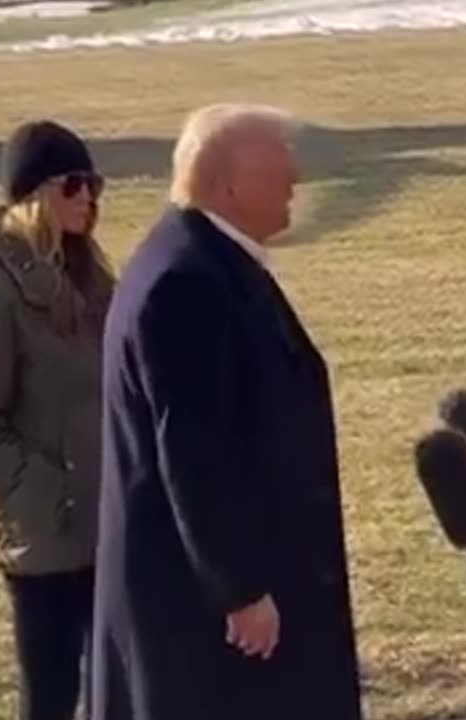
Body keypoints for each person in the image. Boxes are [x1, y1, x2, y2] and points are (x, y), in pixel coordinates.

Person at [90, 102, 363, 720]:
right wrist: (239, 587)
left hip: (235, 599)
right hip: (209, 622)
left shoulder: (211, 258)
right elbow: (191, 452)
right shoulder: (184, 283)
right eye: (279, 168)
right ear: (227, 184)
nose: (296, 180)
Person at [0, 119, 115, 720]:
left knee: (116, 693)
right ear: (35, 193)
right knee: (51, 700)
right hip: (46, 538)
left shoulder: (90, 279)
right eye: (73, 185)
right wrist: (47, 496)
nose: (88, 198)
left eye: (94, 184)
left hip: (107, 525)